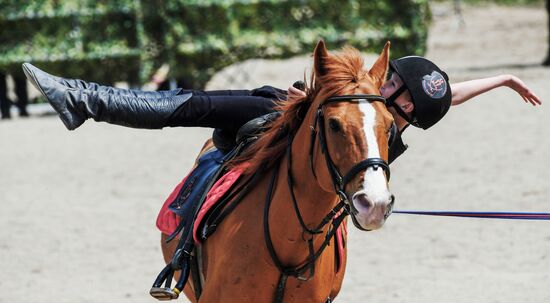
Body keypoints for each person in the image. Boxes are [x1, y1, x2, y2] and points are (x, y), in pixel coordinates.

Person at [20, 55, 541, 163]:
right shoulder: (374, 94)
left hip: (305, 179)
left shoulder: (390, 129)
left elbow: (447, 98)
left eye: (401, 95)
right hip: (277, 112)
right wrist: (505, 79)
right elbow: (442, 95)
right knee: (188, 105)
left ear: (410, 112)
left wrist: (498, 84)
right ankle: (82, 99)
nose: (391, 90)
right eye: (395, 82)